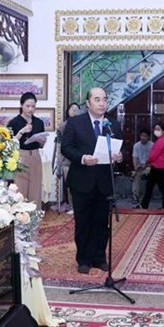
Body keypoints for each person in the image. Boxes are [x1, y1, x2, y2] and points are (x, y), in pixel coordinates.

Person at [60, 87, 123, 274]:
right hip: (82, 180)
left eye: (104, 99)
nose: (102, 103)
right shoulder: (75, 123)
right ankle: (84, 259)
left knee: (102, 222)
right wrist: (82, 158)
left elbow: (120, 148)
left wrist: (119, 157)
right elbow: (66, 148)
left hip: (104, 181)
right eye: (97, 99)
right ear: (88, 103)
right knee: (83, 221)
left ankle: (99, 257)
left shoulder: (113, 125)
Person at [7, 92, 46, 211]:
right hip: (20, 155)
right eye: (27, 106)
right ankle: (20, 222)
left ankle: (34, 222)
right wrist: (22, 131)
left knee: (35, 189)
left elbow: (41, 145)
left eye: (33, 106)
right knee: (20, 189)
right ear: (21, 105)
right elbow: (10, 144)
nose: (30, 109)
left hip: (35, 155)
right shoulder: (14, 122)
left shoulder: (39, 122)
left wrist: (42, 141)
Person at [140, 122, 164, 210]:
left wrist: (147, 162)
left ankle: (144, 205)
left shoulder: (160, 142)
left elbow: (153, 155)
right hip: (162, 166)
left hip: (157, 167)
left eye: (158, 129)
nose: (156, 131)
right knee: (160, 187)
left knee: (150, 186)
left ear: (163, 130)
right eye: (155, 129)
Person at [57, 102, 81, 214]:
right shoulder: (63, 125)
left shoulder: (82, 125)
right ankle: (71, 206)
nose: (74, 111)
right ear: (68, 110)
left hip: (79, 159)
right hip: (66, 160)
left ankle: (80, 206)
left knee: (80, 184)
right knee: (69, 184)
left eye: (77, 109)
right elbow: (60, 145)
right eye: (72, 109)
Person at [132, 129, 153, 206]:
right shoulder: (136, 145)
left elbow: (152, 159)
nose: (143, 137)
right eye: (142, 135)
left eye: (145, 136)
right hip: (140, 166)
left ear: (148, 137)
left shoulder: (152, 145)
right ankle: (135, 197)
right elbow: (134, 157)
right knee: (135, 175)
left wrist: (146, 165)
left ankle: (147, 196)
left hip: (149, 166)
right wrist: (135, 167)